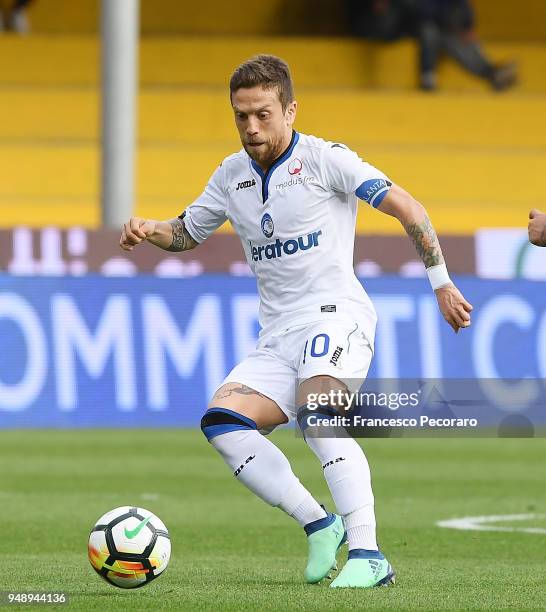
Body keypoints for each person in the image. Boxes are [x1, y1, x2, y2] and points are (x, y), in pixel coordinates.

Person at [120, 55, 473, 588]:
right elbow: (188, 233)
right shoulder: (230, 175)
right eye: (241, 116)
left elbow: (408, 207)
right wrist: (151, 228)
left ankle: (369, 555)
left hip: (338, 315)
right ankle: (319, 524)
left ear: (289, 109)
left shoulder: (328, 159)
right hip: (278, 332)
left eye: (263, 114)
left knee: (319, 415)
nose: (251, 127)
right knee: (223, 423)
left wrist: (440, 281)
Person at [345, 0, 517, 91]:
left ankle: (490, 72)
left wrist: (467, 25)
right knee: (432, 31)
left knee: (444, 34)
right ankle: (428, 77)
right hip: (387, 24)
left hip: (421, 24)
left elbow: (454, 6)